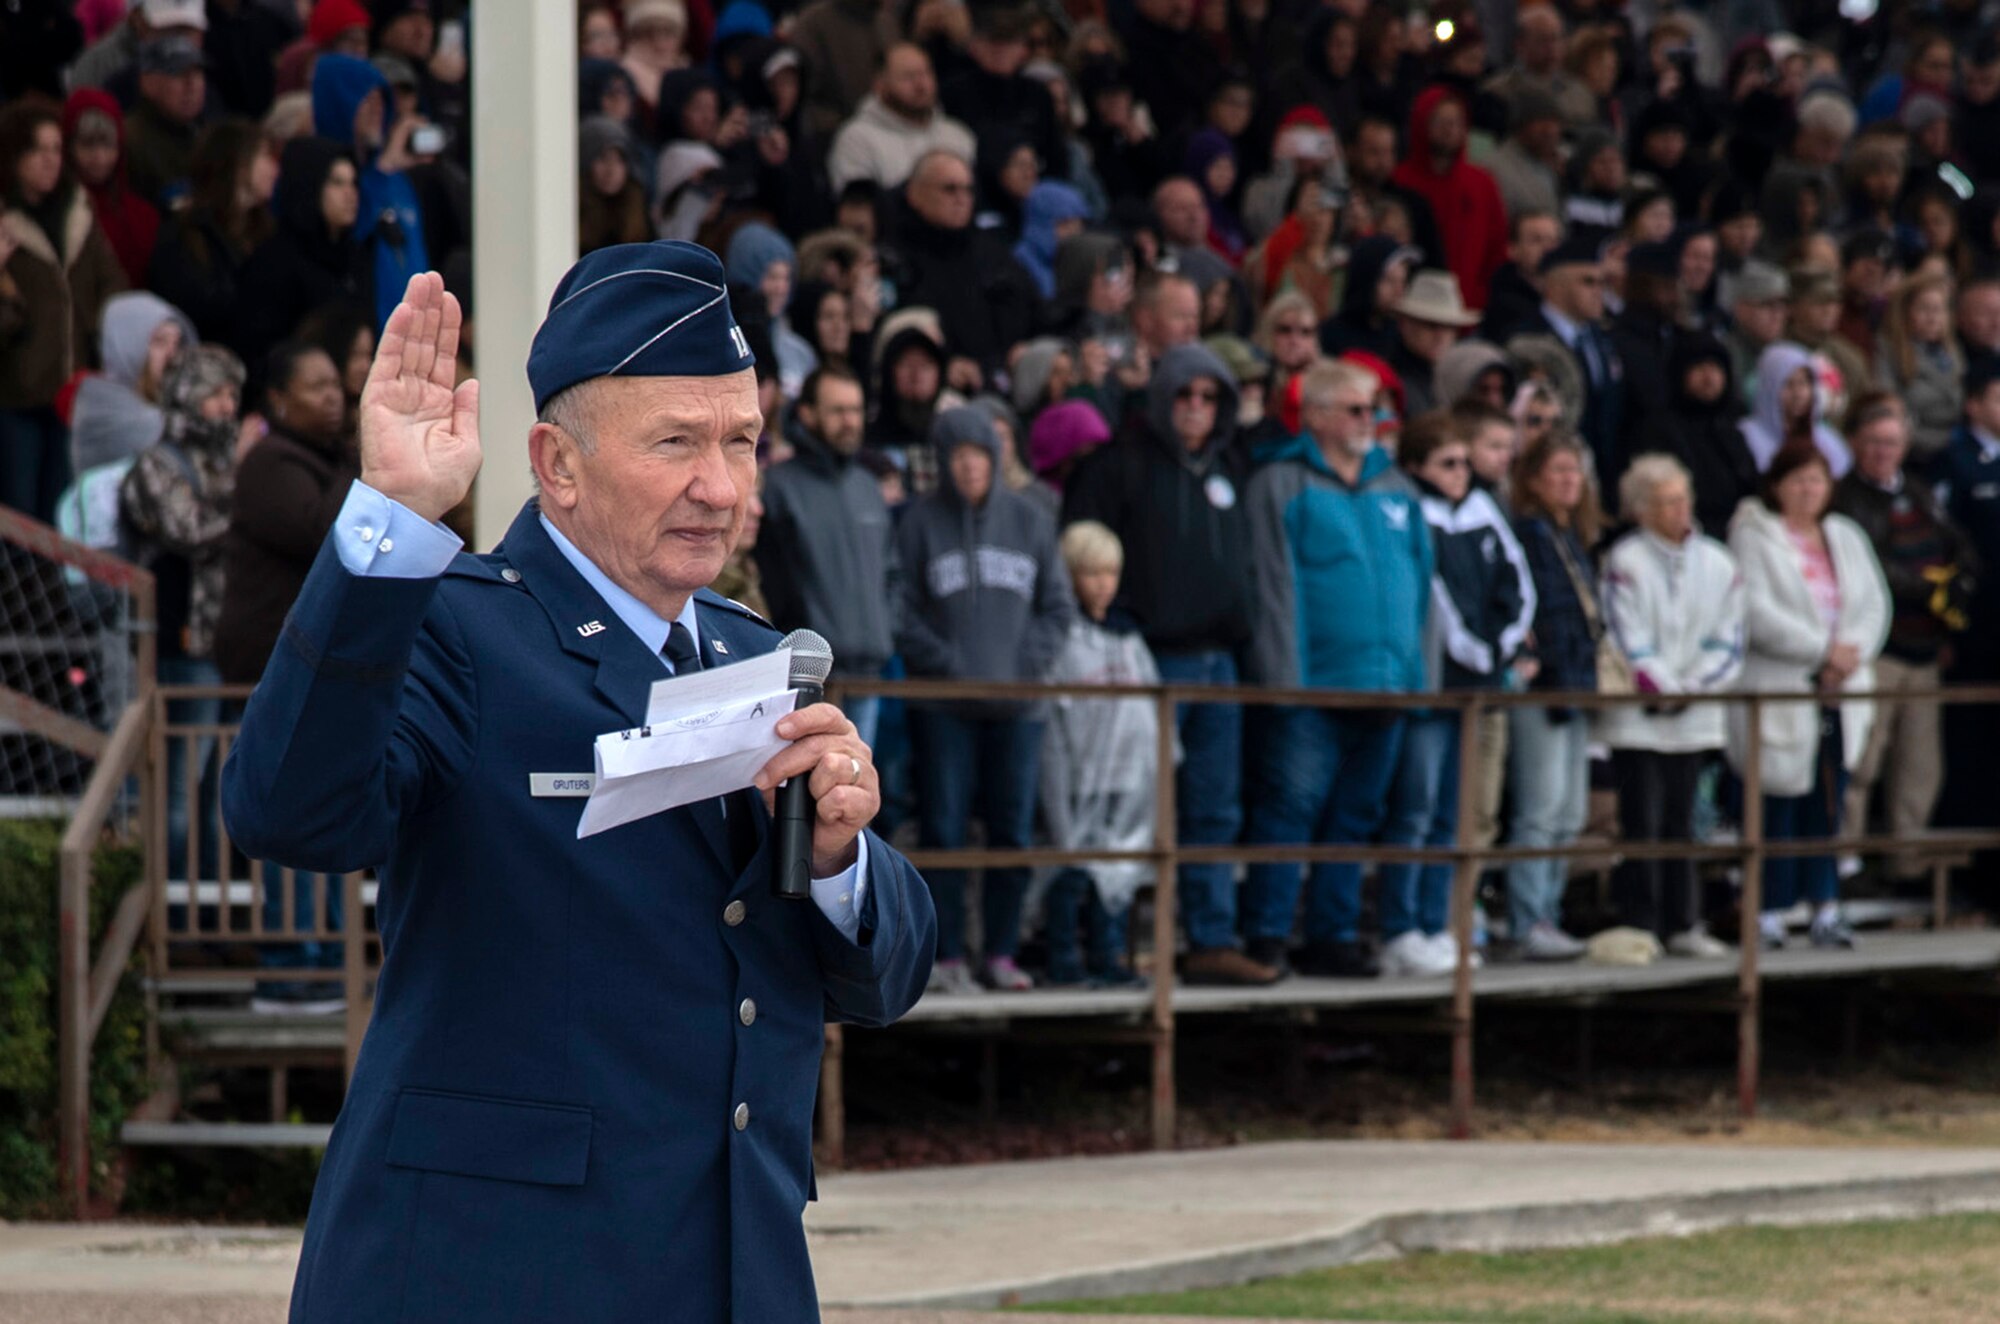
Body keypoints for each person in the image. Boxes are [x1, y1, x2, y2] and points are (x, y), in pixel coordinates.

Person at [221, 247, 934, 1322]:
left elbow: (883, 977)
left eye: (740, 440)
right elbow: (287, 810)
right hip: (493, 1275)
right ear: (555, 464)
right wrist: (393, 525)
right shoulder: (454, 624)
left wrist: (839, 860)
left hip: (729, 1273)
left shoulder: (754, 651)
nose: (721, 485)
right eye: (676, 442)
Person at [1062, 342, 1264, 984]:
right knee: (1130, 805)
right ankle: (1113, 946)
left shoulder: (1234, 465)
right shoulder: (1121, 465)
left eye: (1210, 397)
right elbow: (1081, 549)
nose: (1197, 408)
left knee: (1215, 809)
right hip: (1148, 661)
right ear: (1161, 398)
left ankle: (1208, 939)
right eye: (1185, 394)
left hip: (1221, 663)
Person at [1242, 360, 1431, 979]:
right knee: (1290, 810)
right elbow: (1273, 587)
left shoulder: (1398, 487)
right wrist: (1283, 680)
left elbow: (1424, 590)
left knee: (1356, 816)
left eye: (1374, 410)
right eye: (1354, 410)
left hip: (1386, 686)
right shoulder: (1280, 482)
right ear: (1316, 415)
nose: (1370, 422)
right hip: (1314, 685)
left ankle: (1333, 933)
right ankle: (1267, 932)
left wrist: (1419, 680)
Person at [897, 405, 1074, 993]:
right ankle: (946, 957)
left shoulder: (1031, 519)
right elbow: (900, 606)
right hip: (942, 707)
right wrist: (944, 663)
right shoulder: (920, 522)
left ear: (997, 459)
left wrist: (1026, 665)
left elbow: (1057, 606)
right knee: (944, 830)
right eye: (958, 455)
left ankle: (1001, 952)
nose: (970, 466)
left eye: (980, 454)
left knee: (1013, 832)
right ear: (944, 462)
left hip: (1019, 708)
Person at [1377, 412, 1534, 978]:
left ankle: (1440, 923)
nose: (1461, 473)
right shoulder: (1411, 511)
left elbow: (1518, 582)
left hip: (1481, 684)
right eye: (1447, 463)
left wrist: (1504, 644)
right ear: (1417, 466)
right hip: (1435, 685)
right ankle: (1401, 928)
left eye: (1466, 462)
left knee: (1454, 814)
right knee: (1415, 809)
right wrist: (1474, 650)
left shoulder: (1484, 509)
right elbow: (1433, 596)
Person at [1727, 440, 1889, 951]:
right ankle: (1769, 911)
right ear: (1776, 485)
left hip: (1839, 690)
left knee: (1829, 798)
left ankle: (1825, 906)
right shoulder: (1755, 534)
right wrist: (1822, 651)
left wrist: (1848, 655)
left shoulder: (1845, 535)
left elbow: (1873, 604)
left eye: (1816, 480)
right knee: (1778, 801)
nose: (1807, 489)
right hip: (1784, 685)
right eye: (1797, 480)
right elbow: (1754, 608)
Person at [1597, 453, 1745, 956]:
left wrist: (1692, 688)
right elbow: (1626, 635)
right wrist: (1661, 688)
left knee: (1685, 820)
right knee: (1642, 819)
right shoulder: (1625, 561)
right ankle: (1642, 920)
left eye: (1683, 498)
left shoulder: (1719, 562)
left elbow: (1730, 640)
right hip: (1639, 718)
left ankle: (1684, 921)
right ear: (1640, 509)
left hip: (1696, 716)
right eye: (1665, 501)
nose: (1679, 509)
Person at [1832, 393, 1977, 882]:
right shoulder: (1843, 498)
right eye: (1873, 442)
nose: (1882, 452)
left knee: (1920, 768)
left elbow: (1959, 543)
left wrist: (1959, 578)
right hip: (1879, 650)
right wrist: (1929, 587)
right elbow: (1868, 569)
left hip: (1925, 650)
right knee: (1863, 760)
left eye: (1891, 442)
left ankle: (1906, 869)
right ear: (1854, 443)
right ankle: (1844, 865)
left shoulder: (1917, 491)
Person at [1038, 520, 1158, 988]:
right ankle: (1064, 957)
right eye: (1091, 573)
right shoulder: (1064, 638)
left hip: (1125, 773)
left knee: (1118, 870)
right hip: (1078, 770)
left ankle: (1108, 955)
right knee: (1071, 866)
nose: (1103, 584)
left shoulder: (1130, 638)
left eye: (1110, 572)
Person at [0, 97, 127, 521]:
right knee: (20, 513)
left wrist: (104, 335)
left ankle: (56, 590)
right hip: (18, 394)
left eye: (56, 149)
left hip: (74, 390)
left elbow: (110, 283)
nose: (50, 160)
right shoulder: (5, 222)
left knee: (64, 510)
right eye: (38, 150)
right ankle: (19, 590)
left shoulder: (79, 212)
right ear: (14, 155)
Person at [757, 366, 896, 746]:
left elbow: (892, 573)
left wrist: (887, 629)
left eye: (855, 410)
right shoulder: (780, 487)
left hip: (870, 673)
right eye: (837, 411)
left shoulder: (869, 486)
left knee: (854, 793)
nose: (850, 421)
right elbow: (772, 582)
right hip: (808, 679)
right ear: (807, 413)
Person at [1506, 431, 1602, 961]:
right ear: (1534, 478)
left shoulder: (1569, 535)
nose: (1569, 480)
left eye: (1575, 470)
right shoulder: (1529, 533)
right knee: (1539, 810)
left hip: (1577, 685)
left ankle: (1550, 910)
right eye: (1558, 470)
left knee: (1569, 812)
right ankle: (1527, 920)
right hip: (1544, 686)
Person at [231, 135, 366, 368]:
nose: (350, 193)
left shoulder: (354, 255)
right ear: (309, 185)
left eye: (353, 182)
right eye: (337, 182)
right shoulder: (275, 262)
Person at [147, 120, 278, 347]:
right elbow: (197, 307)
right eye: (265, 156)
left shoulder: (267, 231)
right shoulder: (184, 234)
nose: (275, 169)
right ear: (238, 163)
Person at [1389, 86, 1506, 311]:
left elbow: (1497, 246)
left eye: (1456, 122)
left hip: (1470, 306)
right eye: (1440, 122)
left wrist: (1482, 297)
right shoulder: (1400, 181)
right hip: (1411, 305)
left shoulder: (1482, 183)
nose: (1449, 130)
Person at [1644, 331, 1755, 539]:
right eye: (1699, 367)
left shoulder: (1730, 424)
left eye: (1716, 368)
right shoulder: (1661, 430)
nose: (1709, 377)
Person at [826, 42, 976, 194]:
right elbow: (858, 208)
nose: (921, 85)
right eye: (908, 77)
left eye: (926, 73)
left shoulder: (957, 134)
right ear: (880, 84)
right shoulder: (857, 140)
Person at [62, 88, 159, 288]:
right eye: (88, 145)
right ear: (69, 148)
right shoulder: (58, 213)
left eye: (108, 145)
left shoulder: (144, 217)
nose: (99, 158)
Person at [1873, 273, 1963, 468]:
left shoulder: (1954, 353)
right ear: (1904, 312)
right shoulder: (1887, 351)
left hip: (1955, 450)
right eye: (1924, 309)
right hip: (1914, 452)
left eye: (1939, 310)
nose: (1932, 318)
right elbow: (1889, 408)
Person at [1740, 341, 1851, 478]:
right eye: (1788, 383)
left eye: (1804, 383)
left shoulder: (1828, 442)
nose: (1798, 393)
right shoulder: (1745, 438)